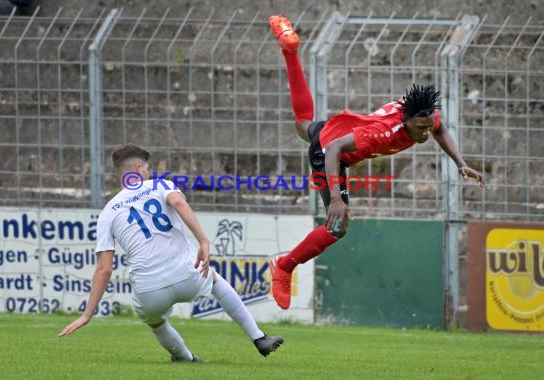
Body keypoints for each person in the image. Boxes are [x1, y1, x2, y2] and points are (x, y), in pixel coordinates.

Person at [267, 15, 485, 310]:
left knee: (303, 123)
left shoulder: (425, 115)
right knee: (337, 227)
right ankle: (284, 266)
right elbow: (333, 150)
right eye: (419, 128)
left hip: (337, 130)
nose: (424, 133)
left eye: (426, 126)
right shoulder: (382, 135)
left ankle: (290, 51)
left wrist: (460, 162)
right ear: (405, 120)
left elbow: (440, 128)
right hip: (331, 150)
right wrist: (335, 200)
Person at [59, 144, 284, 362]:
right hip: (187, 275)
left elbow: (104, 268)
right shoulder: (160, 185)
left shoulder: (108, 211)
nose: (149, 172)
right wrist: (203, 240)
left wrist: (88, 314)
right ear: (139, 169)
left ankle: (186, 357)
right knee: (215, 282)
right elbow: (177, 201)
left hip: (149, 289)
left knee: (156, 322)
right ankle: (259, 338)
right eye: (147, 168)